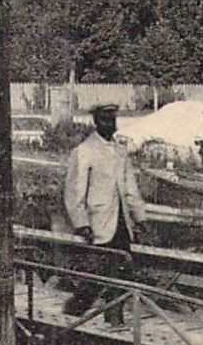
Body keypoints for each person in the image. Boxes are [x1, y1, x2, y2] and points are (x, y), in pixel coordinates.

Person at [62, 103, 147, 321]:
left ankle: (114, 317)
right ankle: (72, 313)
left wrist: (140, 218)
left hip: (120, 223)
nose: (111, 124)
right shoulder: (84, 151)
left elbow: (130, 189)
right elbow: (74, 192)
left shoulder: (120, 151)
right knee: (96, 274)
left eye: (113, 119)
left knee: (121, 272)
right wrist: (82, 223)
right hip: (98, 223)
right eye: (106, 120)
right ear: (96, 121)